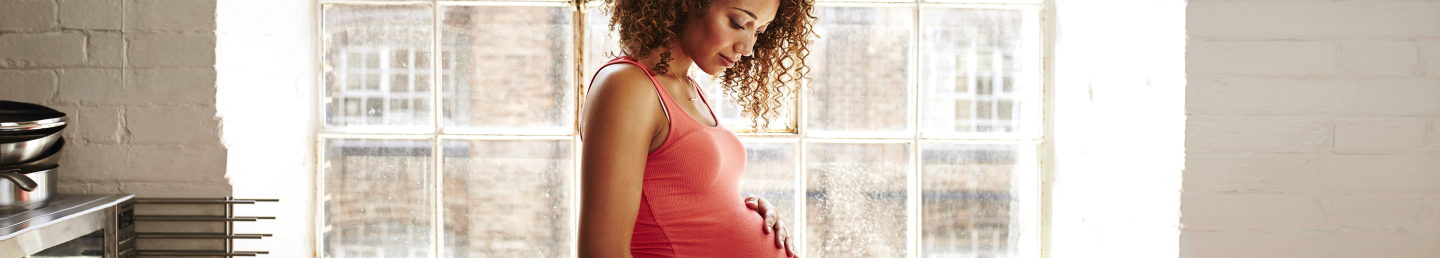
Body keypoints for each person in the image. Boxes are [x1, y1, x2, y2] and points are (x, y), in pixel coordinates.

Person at [577, 0, 816, 257]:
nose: (747, 48)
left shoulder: (687, 86)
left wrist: (746, 210)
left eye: (758, 31)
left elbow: (682, 203)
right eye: (738, 23)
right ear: (688, 3)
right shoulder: (627, 85)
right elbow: (601, 252)